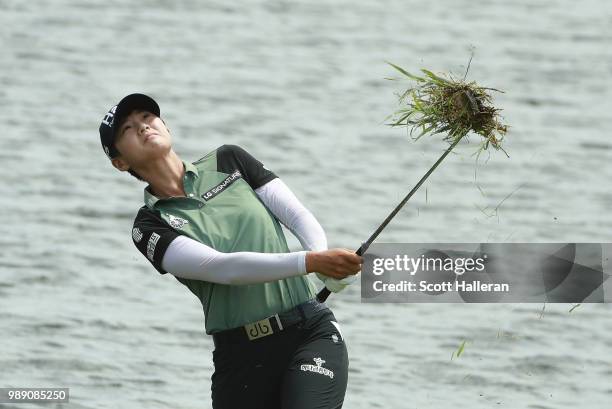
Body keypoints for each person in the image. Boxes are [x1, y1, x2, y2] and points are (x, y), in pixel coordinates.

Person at [99, 93, 362, 409]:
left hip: (308, 334)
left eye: (146, 117)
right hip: (240, 359)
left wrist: (322, 259)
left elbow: (297, 215)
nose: (142, 127)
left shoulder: (230, 160)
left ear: (164, 125)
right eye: (127, 129)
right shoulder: (149, 226)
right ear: (120, 162)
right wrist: (311, 262)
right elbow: (222, 268)